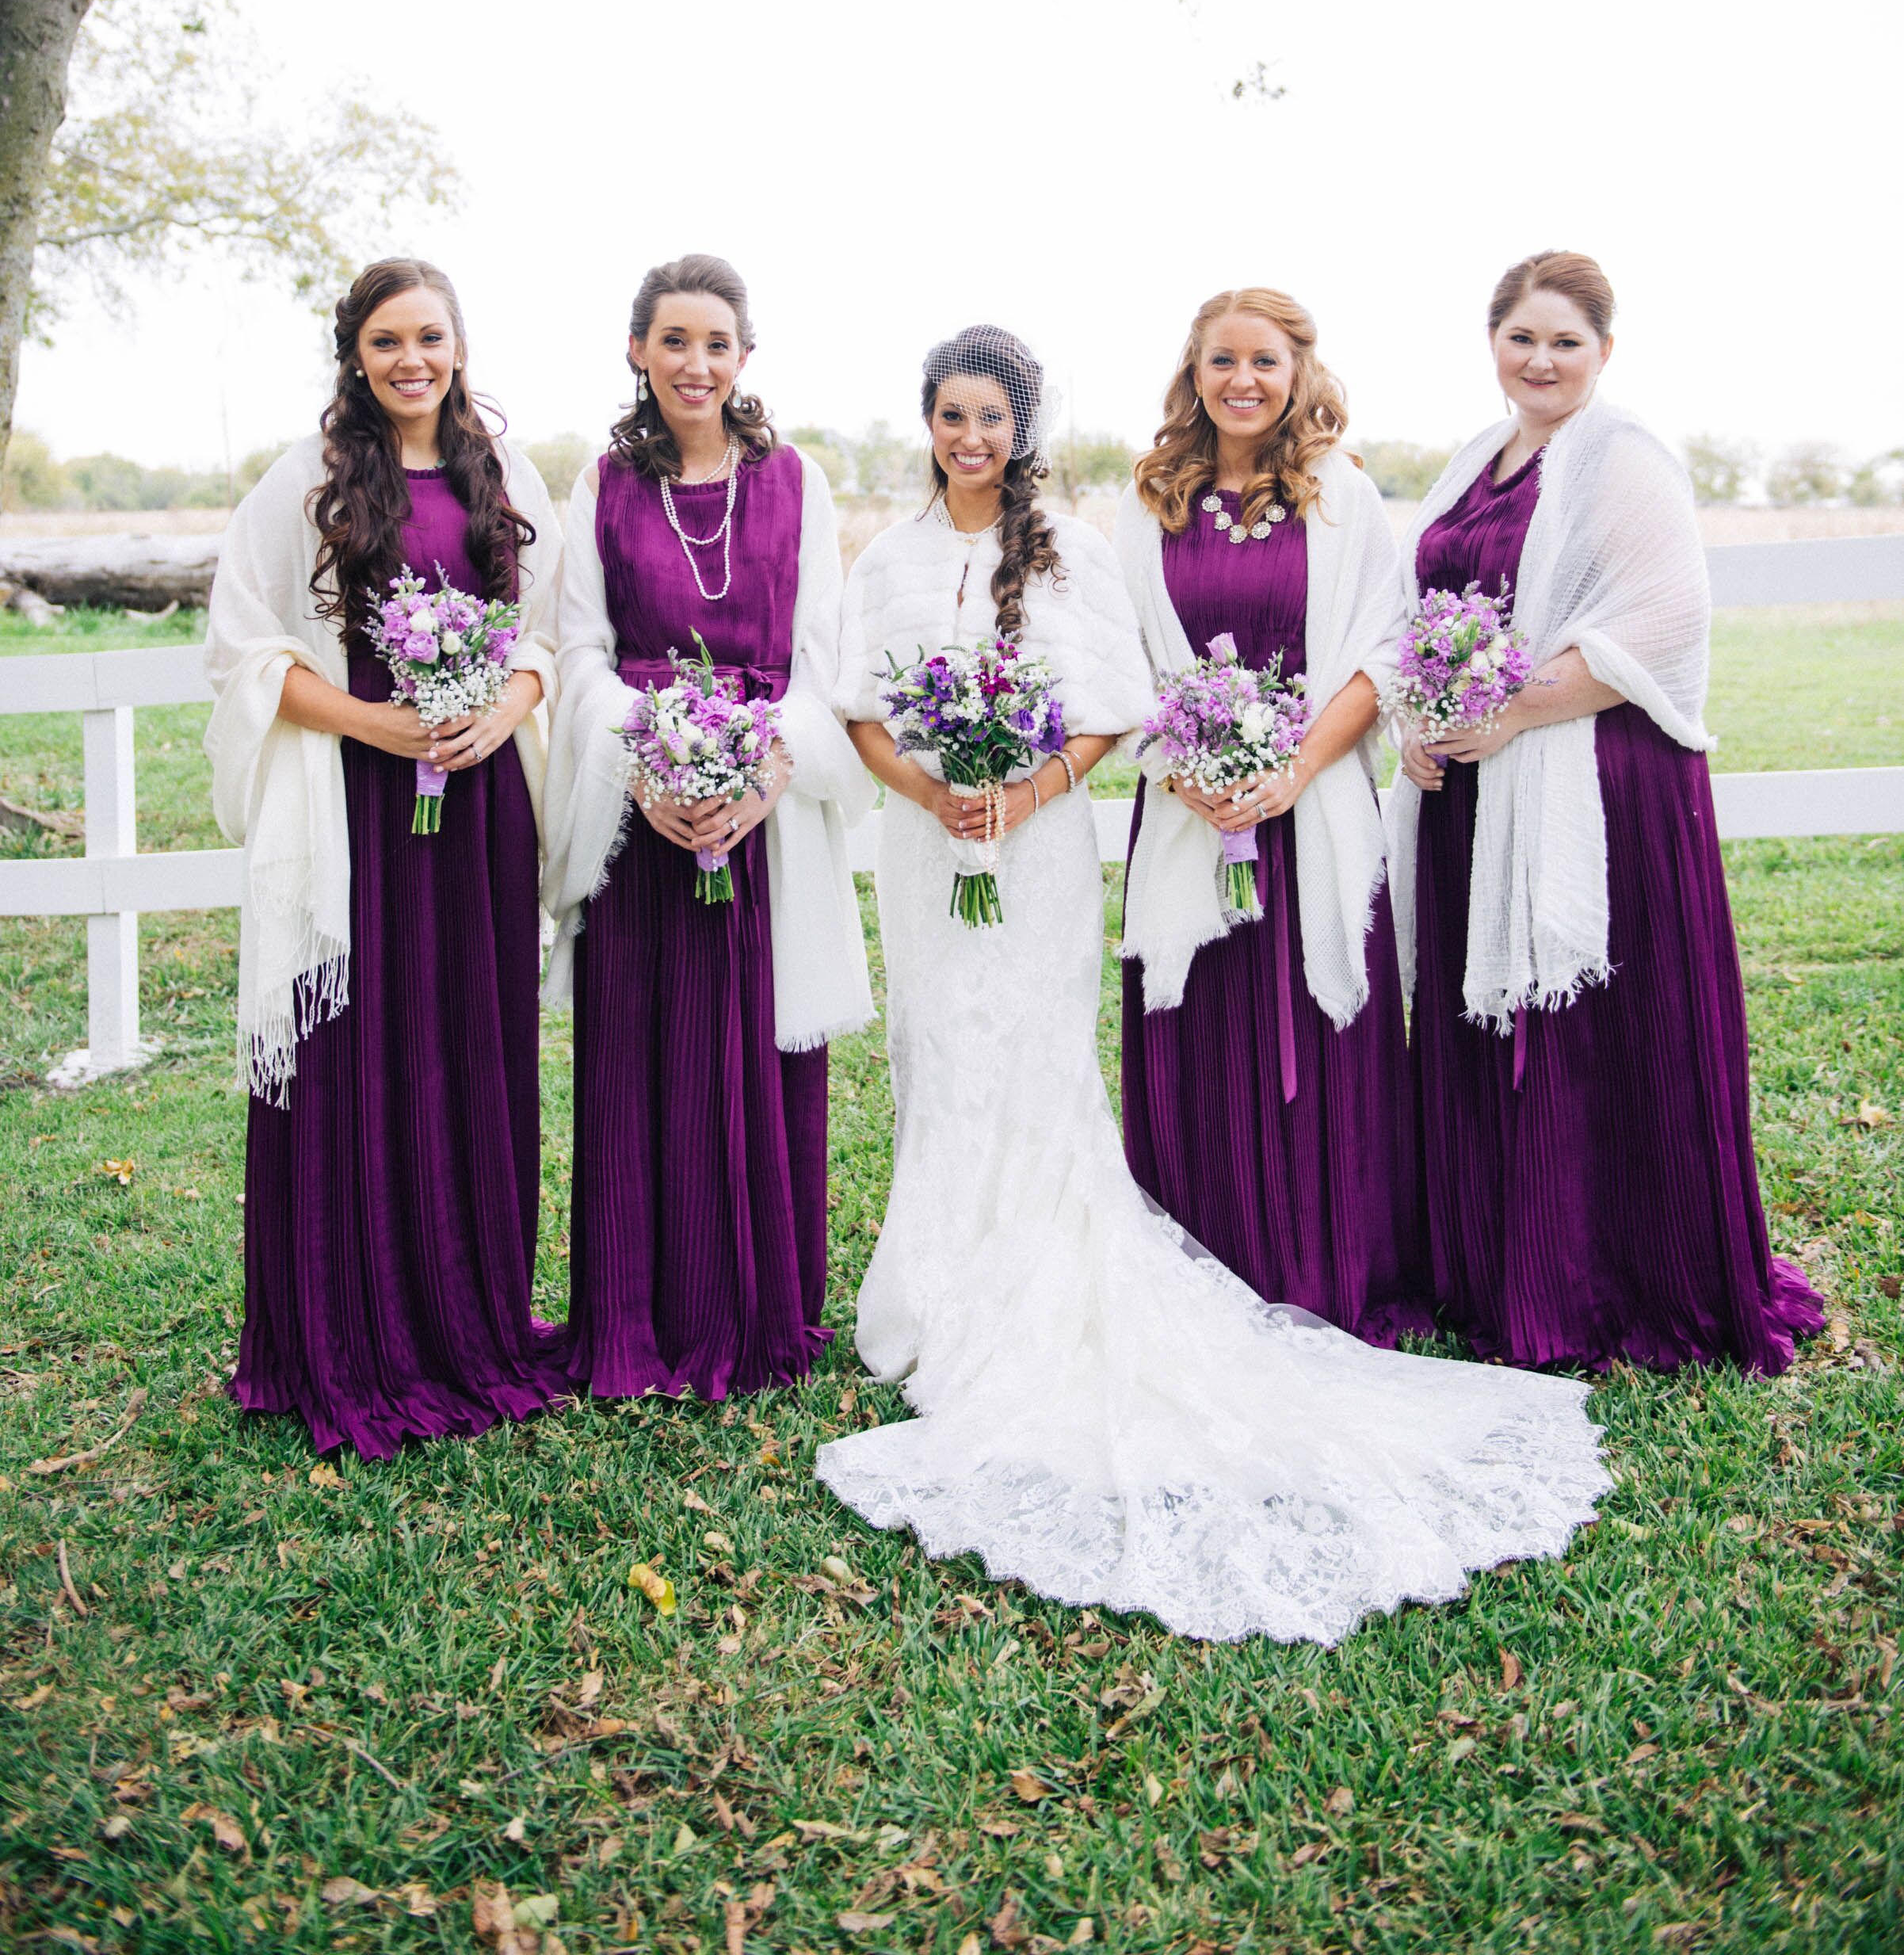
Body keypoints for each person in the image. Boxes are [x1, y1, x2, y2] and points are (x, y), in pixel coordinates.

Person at [817, 323, 1606, 1646]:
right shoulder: (896, 555)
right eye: (949, 416)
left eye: (990, 417)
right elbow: (857, 703)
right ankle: (936, 1282)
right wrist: (937, 789)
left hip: (1052, 839)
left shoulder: (1071, 542)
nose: (970, 438)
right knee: (939, 1047)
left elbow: (1116, 697)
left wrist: (1025, 789)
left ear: (1021, 427)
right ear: (927, 423)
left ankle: (1081, 1270)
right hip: (928, 844)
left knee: (1044, 1050)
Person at [1391, 248, 1823, 1374]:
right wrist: (1420, 721)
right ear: (1493, 342)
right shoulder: (1473, 461)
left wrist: (1515, 714)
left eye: (1565, 341)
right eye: (1521, 337)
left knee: (1588, 1039)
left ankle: (1599, 1278)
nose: (1540, 360)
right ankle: (1493, 1267)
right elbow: (1419, 609)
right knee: (1492, 1028)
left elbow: (1666, 618)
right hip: (1475, 787)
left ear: (1605, 352)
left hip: (1596, 785)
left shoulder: (1623, 458)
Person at [207, 258, 570, 1459]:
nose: (410, 360)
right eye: (384, 342)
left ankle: (470, 1322)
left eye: (429, 337)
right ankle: (347, 1332)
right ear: (354, 357)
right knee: (356, 1050)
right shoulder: (307, 483)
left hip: (475, 813)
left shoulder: (503, 476)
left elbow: (556, 634)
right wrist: (377, 723)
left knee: (467, 1041)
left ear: (459, 346)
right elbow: (246, 647)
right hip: (357, 804)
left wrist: (506, 708)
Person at [543, 252, 874, 1403]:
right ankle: (635, 1318)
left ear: (745, 358)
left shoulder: (800, 482)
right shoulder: (600, 485)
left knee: (754, 1043)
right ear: (637, 350)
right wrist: (643, 763)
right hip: (642, 810)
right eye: (673, 341)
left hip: (763, 806)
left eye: (716, 343)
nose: (695, 363)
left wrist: (765, 772)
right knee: (642, 1052)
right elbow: (579, 647)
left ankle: (758, 1312)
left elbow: (825, 653)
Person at [1116, 287, 1429, 1342]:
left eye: (1264, 361)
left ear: (1300, 371)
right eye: (1220, 361)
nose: (1241, 380)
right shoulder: (1149, 496)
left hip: (1311, 809)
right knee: (1197, 1026)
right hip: (1186, 811)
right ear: (1193, 373)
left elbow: (1383, 651)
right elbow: (1124, 661)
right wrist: (1180, 769)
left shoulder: (1341, 493)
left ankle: (1321, 1264)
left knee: (1313, 1034)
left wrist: (1289, 774)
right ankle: (1198, 1270)